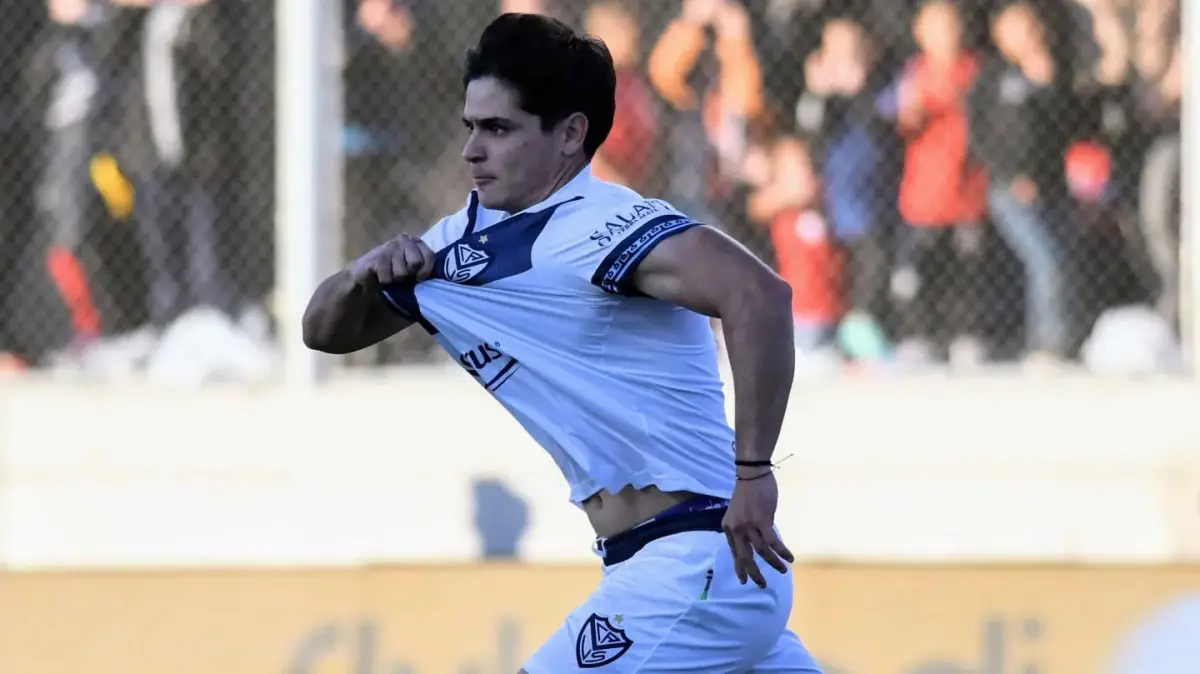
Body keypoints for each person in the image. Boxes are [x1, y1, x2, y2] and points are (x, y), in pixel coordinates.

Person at [302, 13, 821, 673]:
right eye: (470, 126)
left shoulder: (603, 223)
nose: (471, 150)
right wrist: (361, 273)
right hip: (682, 566)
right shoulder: (456, 238)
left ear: (571, 134)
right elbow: (323, 332)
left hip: (695, 560)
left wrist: (754, 473)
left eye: (499, 129)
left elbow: (760, 296)